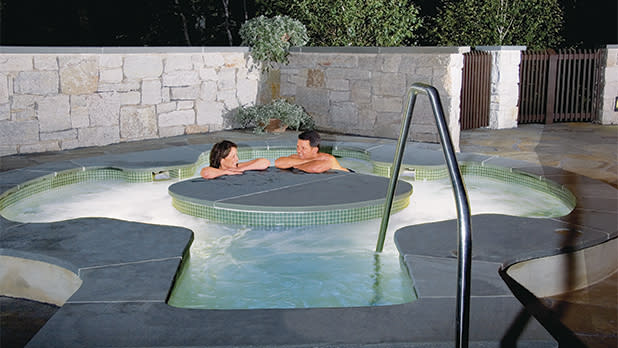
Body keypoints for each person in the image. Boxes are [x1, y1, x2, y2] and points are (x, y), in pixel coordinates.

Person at [275, 130, 349, 173]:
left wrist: (293, 164)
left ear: (314, 150)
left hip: (348, 176)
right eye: (298, 147)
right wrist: (308, 161)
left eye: (303, 148)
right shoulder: (296, 157)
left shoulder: (328, 159)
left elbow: (314, 168)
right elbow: (278, 162)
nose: (298, 151)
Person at [200, 140, 270, 179]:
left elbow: (265, 162)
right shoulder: (213, 170)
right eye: (233, 156)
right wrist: (225, 172)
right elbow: (205, 173)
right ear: (222, 160)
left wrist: (241, 169)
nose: (237, 159)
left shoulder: (238, 167)